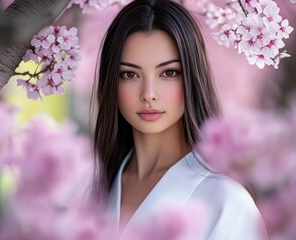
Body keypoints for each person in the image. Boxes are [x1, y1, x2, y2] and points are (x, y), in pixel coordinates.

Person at [90, 0, 268, 239]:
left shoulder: (226, 201)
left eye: (169, 73)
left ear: (192, 78)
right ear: (111, 82)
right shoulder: (93, 189)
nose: (148, 93)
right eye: (129, 74)